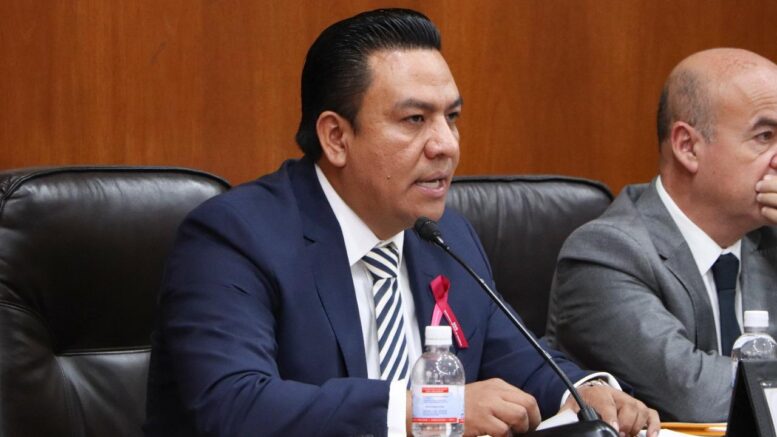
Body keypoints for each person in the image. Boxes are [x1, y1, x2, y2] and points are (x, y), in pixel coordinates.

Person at [144, 8, 658, 436]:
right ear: (336, 138)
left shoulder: (446, 236)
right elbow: (235, 405)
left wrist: (586, 391)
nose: (446, 145)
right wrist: (426, 408)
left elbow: (520, 360)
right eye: (415, 120)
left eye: (451, 117)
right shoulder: (234, 238)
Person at [546, 48, 777, 422]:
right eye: (765, 136)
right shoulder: (605, 255)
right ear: (688, 147)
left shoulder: (768, 238)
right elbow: (697, 398)